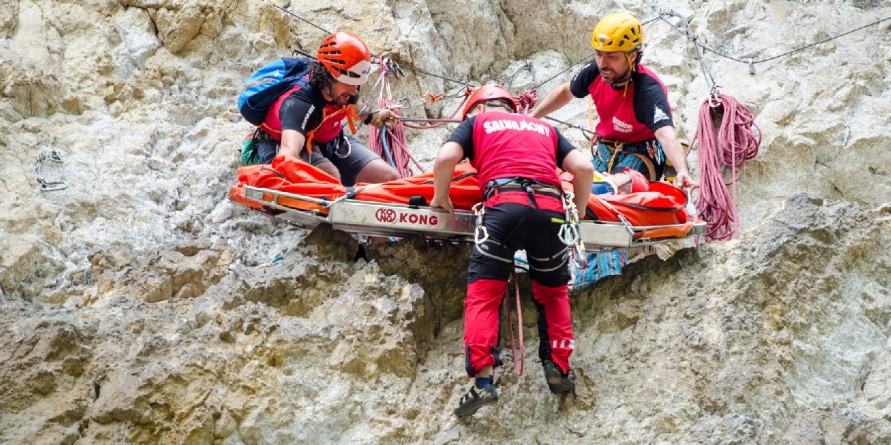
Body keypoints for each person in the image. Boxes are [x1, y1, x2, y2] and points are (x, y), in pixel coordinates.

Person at [430, 84, 594, 417]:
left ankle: (483, 381)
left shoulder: (477, 123)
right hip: (551, 212)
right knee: (553, 293)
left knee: (484, 293)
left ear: (477, 108)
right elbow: (584, 169)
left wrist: (439, 196)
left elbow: (446, 158)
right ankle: (559, 367)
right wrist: (577, 210)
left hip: (504, 207)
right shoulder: (544, 128)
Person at [530, 12, 695, 189]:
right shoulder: (594, 72)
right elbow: (565, 91)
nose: (602, 64)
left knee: (613, 187)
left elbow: (666, 135)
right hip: (606, 148)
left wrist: (682, 171)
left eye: (611, 56)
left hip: (643, 152)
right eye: (599, 54)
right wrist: (532, 117)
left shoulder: (647, 90)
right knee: (582, 187)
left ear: (632, 56)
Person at [256, 31, 399, 186]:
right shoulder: (300, 104)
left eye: (356, 85)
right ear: (328, 76)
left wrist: (374, 117)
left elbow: (353, 101)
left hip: (332, 142)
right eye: (348, 84)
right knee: (330, 182)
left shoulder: (342, 90)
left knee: (389, 178)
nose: (353, 91)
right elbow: (288, 151)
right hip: (286, 145)